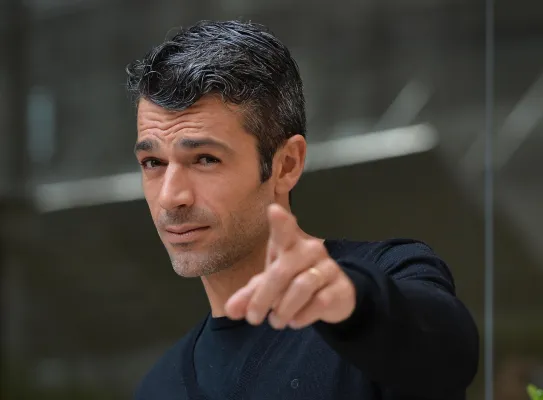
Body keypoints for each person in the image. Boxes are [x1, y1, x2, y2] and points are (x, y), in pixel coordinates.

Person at [126, 20, 479, 400]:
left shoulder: (382, 280)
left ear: (287, 165)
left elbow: (446, 353)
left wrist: (355, 305)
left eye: (205, 159)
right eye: (153, 163)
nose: (170, 197)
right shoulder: (158, 388)